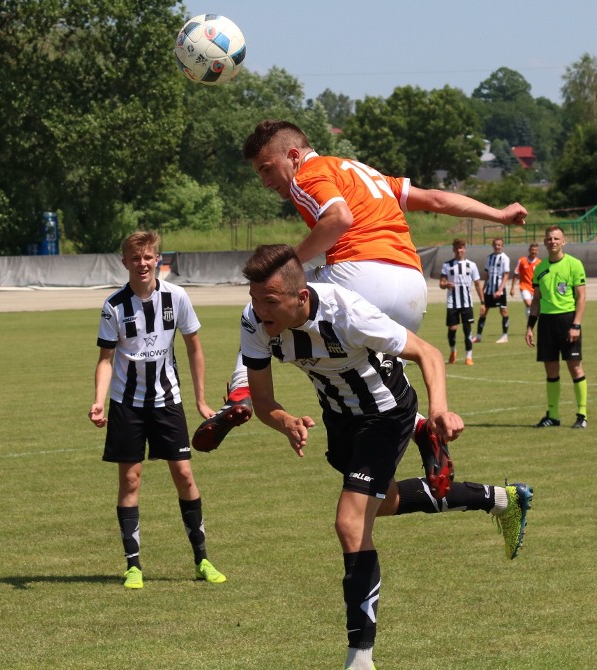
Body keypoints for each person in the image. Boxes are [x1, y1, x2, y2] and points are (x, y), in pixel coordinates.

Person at [239, 244, 532, 670]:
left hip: (385, 412)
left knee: (350, 522)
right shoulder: (256, 323)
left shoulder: (348, 313)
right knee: (384, 503)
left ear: (300, 297)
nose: (259, 311)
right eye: (254, 300)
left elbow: (428, 353)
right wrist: (284, 420)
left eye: (269, 302)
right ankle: (500, 498)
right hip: (339, 419)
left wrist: (438, 410)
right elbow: (263, 401)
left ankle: (360, 658)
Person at [192, 119, 527, 452]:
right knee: (361, 377)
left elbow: (339, 218)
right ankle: (423, 429)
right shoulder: (364, 172)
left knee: (262, 305)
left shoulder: (308, 174)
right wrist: (498, 214)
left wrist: (286, 265)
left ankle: (239, 392)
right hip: (412, 286)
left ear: (293, 155)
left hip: (360, 275)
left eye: (267, 169)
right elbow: (435, 199)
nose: (266, 182)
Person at [88, 230, 226, 589]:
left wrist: (200, 399)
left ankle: (202, 560)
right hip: (126, 404)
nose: (143, 263)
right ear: (125, 263)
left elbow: (194, 348)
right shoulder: (114, 306)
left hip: (168, 401)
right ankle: (133, 565)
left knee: (184, 475)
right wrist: (98, 401)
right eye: (136, 258)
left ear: (157, 259)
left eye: (149, 257)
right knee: (130, 479)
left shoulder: (177, 297)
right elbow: (105, 360)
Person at [525, 225, 588, 429]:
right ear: (545, 242)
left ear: (563, 241)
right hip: (547, 323)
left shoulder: (574, 264)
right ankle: (553, 415)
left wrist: (576, 324)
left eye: (556, 239)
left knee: (574, 366)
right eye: (549, 239)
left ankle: (582, 414)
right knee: (551, 369)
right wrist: (529, 327)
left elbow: (581, 297)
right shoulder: (540, 269)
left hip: (568, 320)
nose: (552, 242)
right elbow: (536, 300)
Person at [439, 238, 484, 365]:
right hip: (452, 302)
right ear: (453, 249)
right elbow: (441, 284)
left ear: (465, 249)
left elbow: (477, 284)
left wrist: (483, 302)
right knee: (452, 329)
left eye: (461, 248)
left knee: (467, 329)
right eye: (457, 248)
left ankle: (469, 356)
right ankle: (453, 351)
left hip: (466, 303)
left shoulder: (472, 265)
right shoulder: (447, 265)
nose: (459, 250)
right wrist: (446, 284)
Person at [472, 238, 511, 344]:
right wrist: (483, 288)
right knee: (483, 312)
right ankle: (478, 336)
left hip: (499, 291)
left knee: (503, 311)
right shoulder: (489, 258)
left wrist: (500, 289)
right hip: (489, 290)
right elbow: (487, 274)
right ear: (492, 245)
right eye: (495, 244)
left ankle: (504, 336)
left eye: (499, 245)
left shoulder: (505, 258)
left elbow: (506, 275)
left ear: (502, 246)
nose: (497, 246)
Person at [510, 243, 541, 319]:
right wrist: (512, 288)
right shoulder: (522, 261)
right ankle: (529, 323)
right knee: (528, 303)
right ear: (529, 250)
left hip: (535, 288)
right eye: (532, 250)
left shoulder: (539, 263)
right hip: (524, 286)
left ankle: (532, 321)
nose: (534, 251)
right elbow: (516, 274)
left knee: (535, 306)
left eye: (535, 250)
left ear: (538, 252)